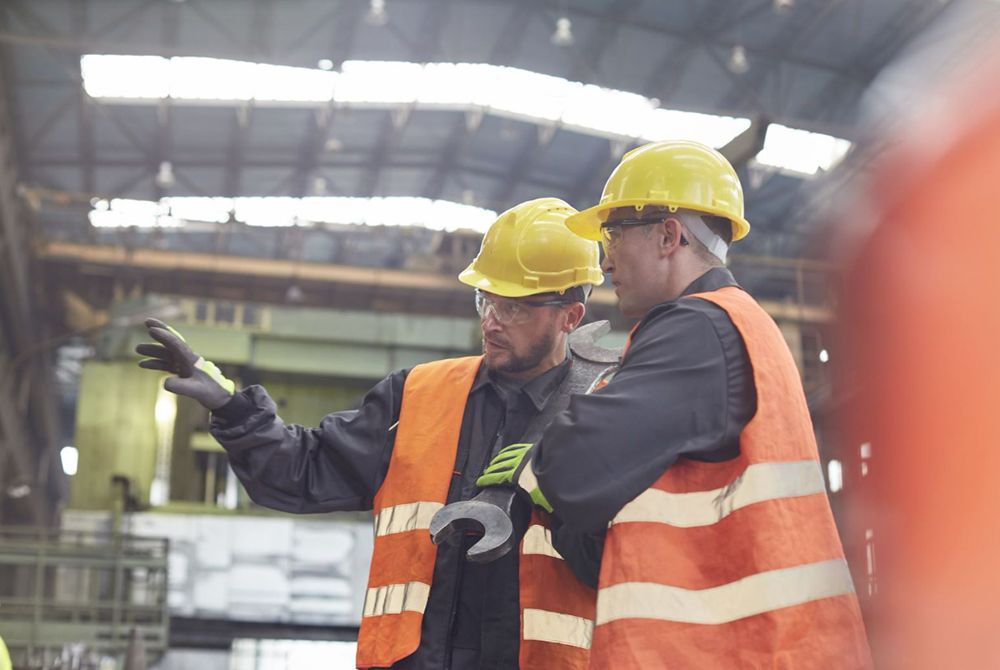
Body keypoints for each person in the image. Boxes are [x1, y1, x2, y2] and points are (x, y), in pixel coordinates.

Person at [135, 197, 611, 670]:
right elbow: (303, 471)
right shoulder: (417, 396)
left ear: (570, 316)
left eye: (515, 309)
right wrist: (233, 408)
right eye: (485, 300)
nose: (491, 323)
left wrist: (561, 505)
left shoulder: (607, 416)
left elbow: (626, 563)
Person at [476, 142, 874, 668]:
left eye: (613, 234)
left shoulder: (698, 327)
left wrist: (536, 466)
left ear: (669, 235)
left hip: (742, 651)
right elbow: (602, 551)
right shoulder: (734, 327)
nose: (605, 257)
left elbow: (577, 468)